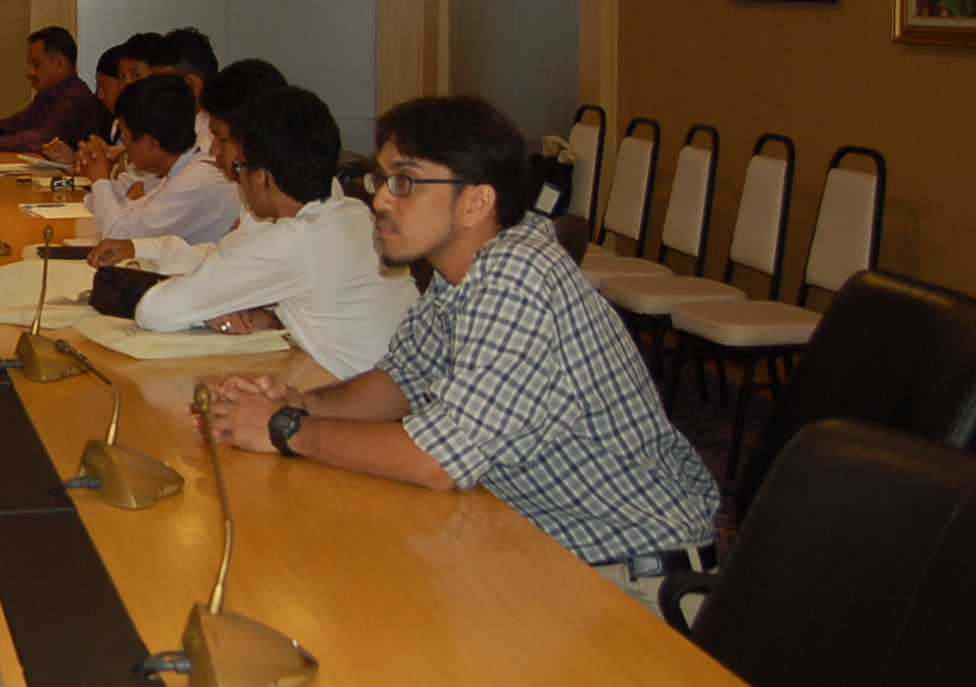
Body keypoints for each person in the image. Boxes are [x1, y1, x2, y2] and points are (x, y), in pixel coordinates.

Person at [206, 95, 721, 604]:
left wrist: (287, 429)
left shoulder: (517, 276)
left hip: (637, 580)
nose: (380, 200)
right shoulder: (465, 273)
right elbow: (400, 381)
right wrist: (300, 403)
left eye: (405, 182)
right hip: (548, 550)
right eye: (381, 180)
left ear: (476, 201)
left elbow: (437, 460)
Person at [92, 85, 412, 380]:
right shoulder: (353, 213)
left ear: (261, 178)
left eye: (241, 167)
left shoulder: (295, 240)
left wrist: (207, 309)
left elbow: (154, 311)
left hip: (362, 399)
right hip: (387, 385)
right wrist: (264, 315)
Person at [74, 74, 242, 243]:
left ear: (148, 141)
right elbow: (131, 212)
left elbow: (119, 234)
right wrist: (102, 178)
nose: (123, 145)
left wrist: (100, 179)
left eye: (125, 135)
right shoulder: (183, 170)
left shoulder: (198, 180)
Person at [0, 25, 104, 153]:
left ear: (60, 63)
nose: (30, 72)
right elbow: (13, 125)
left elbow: (44, 140)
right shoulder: (47, 96)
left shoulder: (75, 97)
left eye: (36, 64)